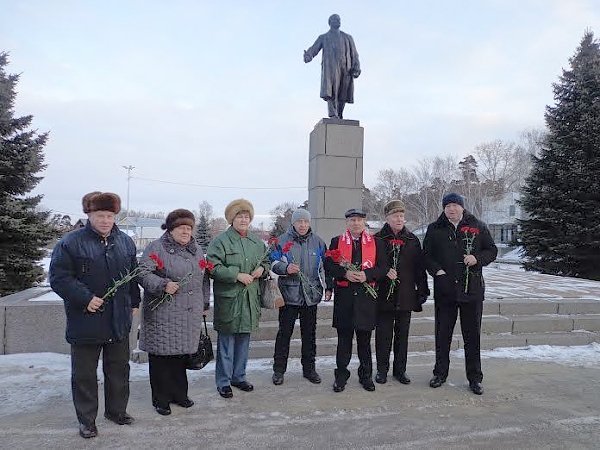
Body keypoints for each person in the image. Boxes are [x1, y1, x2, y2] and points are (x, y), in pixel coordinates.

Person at [49, 192, 140, 439]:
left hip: (118, 319)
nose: (105, 220)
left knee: (119, 369)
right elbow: (59, 278)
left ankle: (116, 411)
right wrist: (85, 298)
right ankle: (87, 420)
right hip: (86, 319)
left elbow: (132, 274)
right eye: (100, 215)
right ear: (89, 215)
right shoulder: (70, 243)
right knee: (85, 374)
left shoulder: (125, 242)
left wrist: (134, 300)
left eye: (110, 216)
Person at [138, 209, 211, 416]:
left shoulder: (196, 250)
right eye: (181, 227)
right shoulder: (157, 247)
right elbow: (142, 273)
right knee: (162, 357)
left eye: (189, 228)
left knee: (181, 356)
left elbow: (204, 278)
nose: (185, 231)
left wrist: (205, 303)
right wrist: (162, 284)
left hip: (189, 312)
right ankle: (161, 399)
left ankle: (180, 394)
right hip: (164, 312)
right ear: (171, 229)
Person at [423, 193, 497, 395]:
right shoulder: (435, 228)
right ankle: (440, 373)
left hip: (471, 291)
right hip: (445, 291)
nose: (451, 209)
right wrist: (437, 271)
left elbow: (492, 250)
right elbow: (427, 255)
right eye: (447, 206)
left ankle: (475, 378)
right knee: (442, 334)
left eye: (455, 205)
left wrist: (477, 258)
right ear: (444, 208)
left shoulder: (478, 226)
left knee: (472, 336)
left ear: (462, 207)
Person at [206, 199, 269, 399]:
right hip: (230, 299)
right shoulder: (221, 241)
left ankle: (238, 376)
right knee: (226, 342)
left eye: (247, 216)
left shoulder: (256, 242)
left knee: (244, 340)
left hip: (250, 298)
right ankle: (223, 381)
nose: (243, 220)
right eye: (240, 216)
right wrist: (236, 275)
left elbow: (266, 261)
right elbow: (212, 267)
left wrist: (262, 269)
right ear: (232, 219)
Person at [324, 208, 388, 392]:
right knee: (343, 341)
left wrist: (367, 275)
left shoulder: (376, 242)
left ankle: (366, 376)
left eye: (359, 220)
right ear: (347, 223)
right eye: (352, 220)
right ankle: (341, 376)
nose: (356, 223)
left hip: (366, 300)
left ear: (364, 222)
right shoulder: (337, 241)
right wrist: (345, 273)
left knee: (364, 342)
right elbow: (329, 265)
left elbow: (383, 268)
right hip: (345, 299)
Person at [374, 200, 429, 385]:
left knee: (402, 336)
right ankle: (382, 370)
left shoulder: (412, 240)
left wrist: (422, 290)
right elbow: (372, 267)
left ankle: (400, 370)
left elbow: (420, 269)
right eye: (395, 215)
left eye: (402, 216)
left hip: (405, 295)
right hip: (384, 296)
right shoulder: (377, 239)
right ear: (387, 218)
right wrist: (383, 273)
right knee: (383, 336)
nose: (399, 219)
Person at [270, 208, 327, 386]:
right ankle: (279, 370)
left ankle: (309, 369)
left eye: (305, 222)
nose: (302, 225)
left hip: (310, 296)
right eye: (299, 222)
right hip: (289, 295)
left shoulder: (318, 242)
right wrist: (285, 269)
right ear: (293, 223)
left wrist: (326, 287)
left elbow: (325, 267)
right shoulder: (281, 241)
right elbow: (272, 262)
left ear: (309, 223)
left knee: (309, 335)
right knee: (284, 334)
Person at [303, 14, 361, 119]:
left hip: (346, 68)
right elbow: (314, 49)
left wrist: (356, 67)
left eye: (339, 19)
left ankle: (339, 113)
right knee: (331, 91)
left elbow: (355, 54)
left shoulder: (348, 37)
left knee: (343, 93)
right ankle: (332, 113)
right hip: (331, 67)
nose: (337, 21)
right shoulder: (324, 37)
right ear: (329, 22)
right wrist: (308, 55)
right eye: (334, 19)